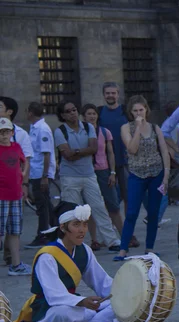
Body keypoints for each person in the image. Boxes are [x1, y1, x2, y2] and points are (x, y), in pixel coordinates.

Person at [11, 202, 116, 322]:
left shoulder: (85, 250)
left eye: (84, 224)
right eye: (76, 225)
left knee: (118, 305)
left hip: (76, 304)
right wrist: (82, 301)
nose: (82, 230)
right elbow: (54, 295)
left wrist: (121, 293)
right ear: (63, 227)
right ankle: (92, 321)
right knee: (67, 315)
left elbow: (102, 282)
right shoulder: (47, 256)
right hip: (49, 307)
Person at [54, 100, 121, 253]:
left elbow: (93, 148)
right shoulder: (60, 131)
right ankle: (75, 243)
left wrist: (76, 151)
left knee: (98, 207)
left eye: (74, 109)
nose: (73, 113)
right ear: (63, 115)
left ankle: (111, 240)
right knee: (73, 212)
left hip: (89, 174)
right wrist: (82, 151)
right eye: (69, 111)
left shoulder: (88, 127)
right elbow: (67, 154)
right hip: (69, 177)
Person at [114, 96, 170, 261]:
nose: (139, 113)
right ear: (131, 113)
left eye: (141, 109)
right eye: (135, 110)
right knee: (132, 212)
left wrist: (166, 175)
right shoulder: (126, 128)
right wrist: (138, 128)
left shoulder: (155, 128)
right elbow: (132, 149)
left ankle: (150, 248)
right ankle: (123, 249)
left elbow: (164, 151)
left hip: (156, 173)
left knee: (153, 212)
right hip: (137, 174)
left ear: (146, 110)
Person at [80, 104, 126, 250]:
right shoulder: (81, 132)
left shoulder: (105, 132)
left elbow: (110, 153)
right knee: (90, 208)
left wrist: (112, 172)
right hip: (87, 172)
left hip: (103, 171)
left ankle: (124, 236)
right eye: (89, 114)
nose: (92, 116)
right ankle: (94, 239)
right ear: (84, 117)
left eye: (94, 113)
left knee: (113, 205)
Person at [0, 118, 31, 276]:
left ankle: (16, 264)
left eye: (6, 131)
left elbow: (25, 161)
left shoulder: (16, 147)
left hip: (16, 195)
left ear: (12, 132)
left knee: (14, 230)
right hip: (1, 195)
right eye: (1, 132)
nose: (4, 135)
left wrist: (23, 175)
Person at [97, 82, 131, 222]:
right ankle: (114, 229)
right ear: (104, 95)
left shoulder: (126, 111)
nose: (110, 95)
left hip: (125, 161)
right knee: (108, 199)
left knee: (129, 198)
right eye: (108, 93)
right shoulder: (99, 112)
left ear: (118, 94)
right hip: (105, 162)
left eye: (113, 93)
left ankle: (129, 231)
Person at [25, 102, 56, 249]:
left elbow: (46, 154)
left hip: (41, 173)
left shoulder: (42, 129)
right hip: (36, 171)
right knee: (46, 204)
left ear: (30, 112)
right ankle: (56, 229)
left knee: (42, 205)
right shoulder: (34, 127)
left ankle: (42, 234)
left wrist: (45, 175)